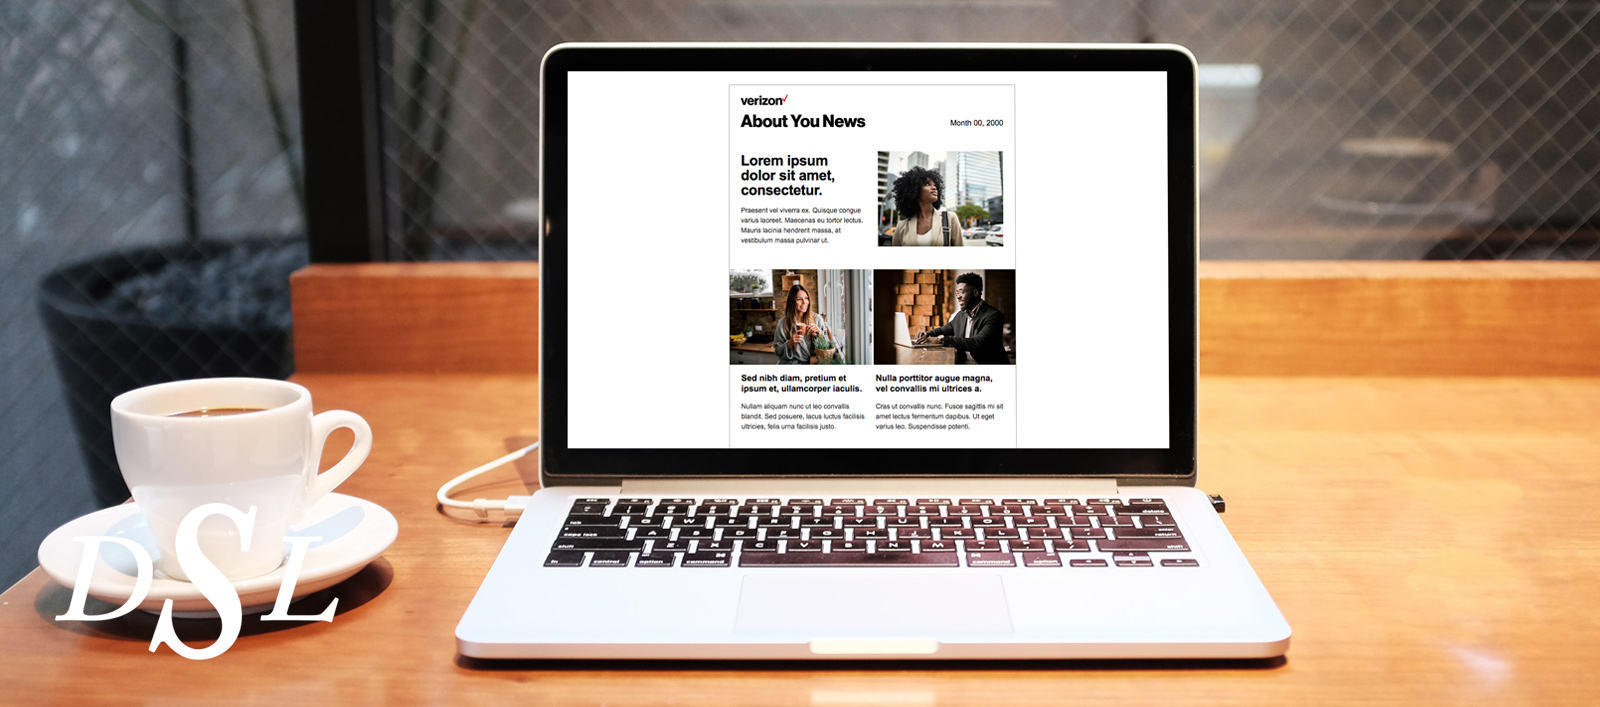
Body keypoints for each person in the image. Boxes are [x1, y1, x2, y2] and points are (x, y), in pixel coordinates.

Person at [913, 272, 1009, 364]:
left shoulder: (994, 316)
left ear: (975, 292)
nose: (958, 296)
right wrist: (926, 334)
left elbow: (978, 343)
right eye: (957, 292)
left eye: (961, 292)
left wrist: (940, 340)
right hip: (965, 363)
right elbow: (944, 329)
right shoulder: (961, 315)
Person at [889, 166, 969, 247]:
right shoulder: (901, 227)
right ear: (914, 190)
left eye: (935, 185)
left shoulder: (950, 218)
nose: (934, 187)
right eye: (927, 184)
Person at [773, 283, 831, 365]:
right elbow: (777, 351)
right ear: (792, 302)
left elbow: (828, 348)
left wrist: (820, 334)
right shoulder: (783, 323)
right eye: (799, 299)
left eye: (806, 298)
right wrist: (790, 342)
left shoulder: (817, 319)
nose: (804, 302)